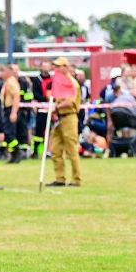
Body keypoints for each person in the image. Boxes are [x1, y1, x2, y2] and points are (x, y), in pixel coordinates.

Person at [46, 57, 82, 187]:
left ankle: (76, 178)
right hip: (59, 118)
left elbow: (69, 101)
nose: (56, 69)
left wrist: (55, 108)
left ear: (66, 67)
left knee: (71, 149)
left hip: (69, 117)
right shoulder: (59, 83)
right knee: (55, 149)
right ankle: (60, 178)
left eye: (58, 66)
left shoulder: (72, 83)